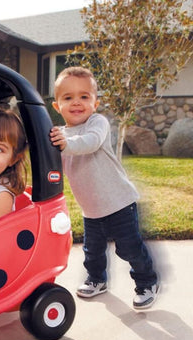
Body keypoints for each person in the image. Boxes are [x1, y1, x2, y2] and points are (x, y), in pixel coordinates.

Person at [49, 66, 158, 309]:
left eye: (84, 96)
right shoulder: (60, 136)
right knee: (93, 251)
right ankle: (97, 279)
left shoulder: (97, 123)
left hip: (119, 203)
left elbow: (90, 142)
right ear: (57, 106)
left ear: (95, 103)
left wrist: (65, 144)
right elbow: (54, 165)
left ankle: (147, 282)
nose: (77, 102)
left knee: (129, 249)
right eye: (68, 97)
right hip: (91, 209)